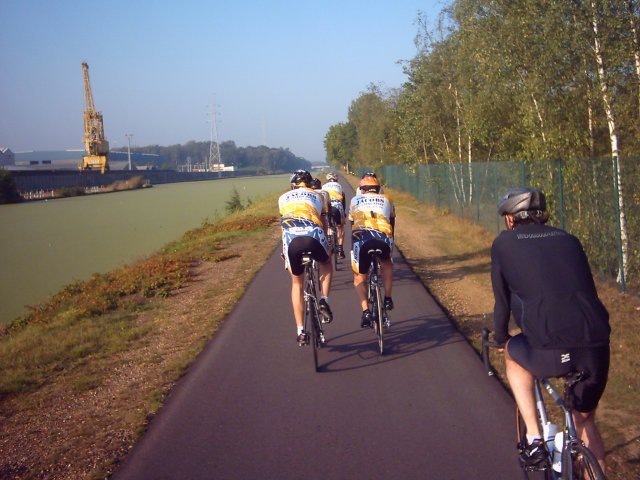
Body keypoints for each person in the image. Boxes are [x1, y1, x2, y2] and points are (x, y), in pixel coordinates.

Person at [491, 187, 610, 473]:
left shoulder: (504, 243)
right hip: (596, 345)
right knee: (586, 421)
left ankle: (533, 438)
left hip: (550, 347)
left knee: (512, 354)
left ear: (510, 219)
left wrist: (500, 337)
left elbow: (502, 302)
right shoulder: (569, 239)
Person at [279, 170, 333, 346]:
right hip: (313, 236)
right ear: (309, 184)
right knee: (326, 262)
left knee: (296, 282)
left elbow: (283, 226)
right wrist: (327, 245)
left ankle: (301, 330)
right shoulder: (319, 195)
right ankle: (324, 300)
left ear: (292, 185)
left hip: (291, 240)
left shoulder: (283, 198)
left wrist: (284, 251)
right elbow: (324, 223)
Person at [349, 175, 395, 328]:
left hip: (362, 240)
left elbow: (352, 224)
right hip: (383, 238)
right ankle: (388, 298)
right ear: (378, 189)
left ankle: (365, 311)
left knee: (359, 276)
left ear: (362, 190)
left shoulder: (355, 200)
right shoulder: (387, 199)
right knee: (387, 263)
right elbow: (392, 222)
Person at [322, 172, 346, 259]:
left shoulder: (323, 187)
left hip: (327, 207)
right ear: (337, 180)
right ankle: (340, 250)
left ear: (327, 180)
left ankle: (329, 238)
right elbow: (343, 201)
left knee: (328, 223)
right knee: (340, 226)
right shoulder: (339, 186)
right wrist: (344, 214)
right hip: (337, 205)